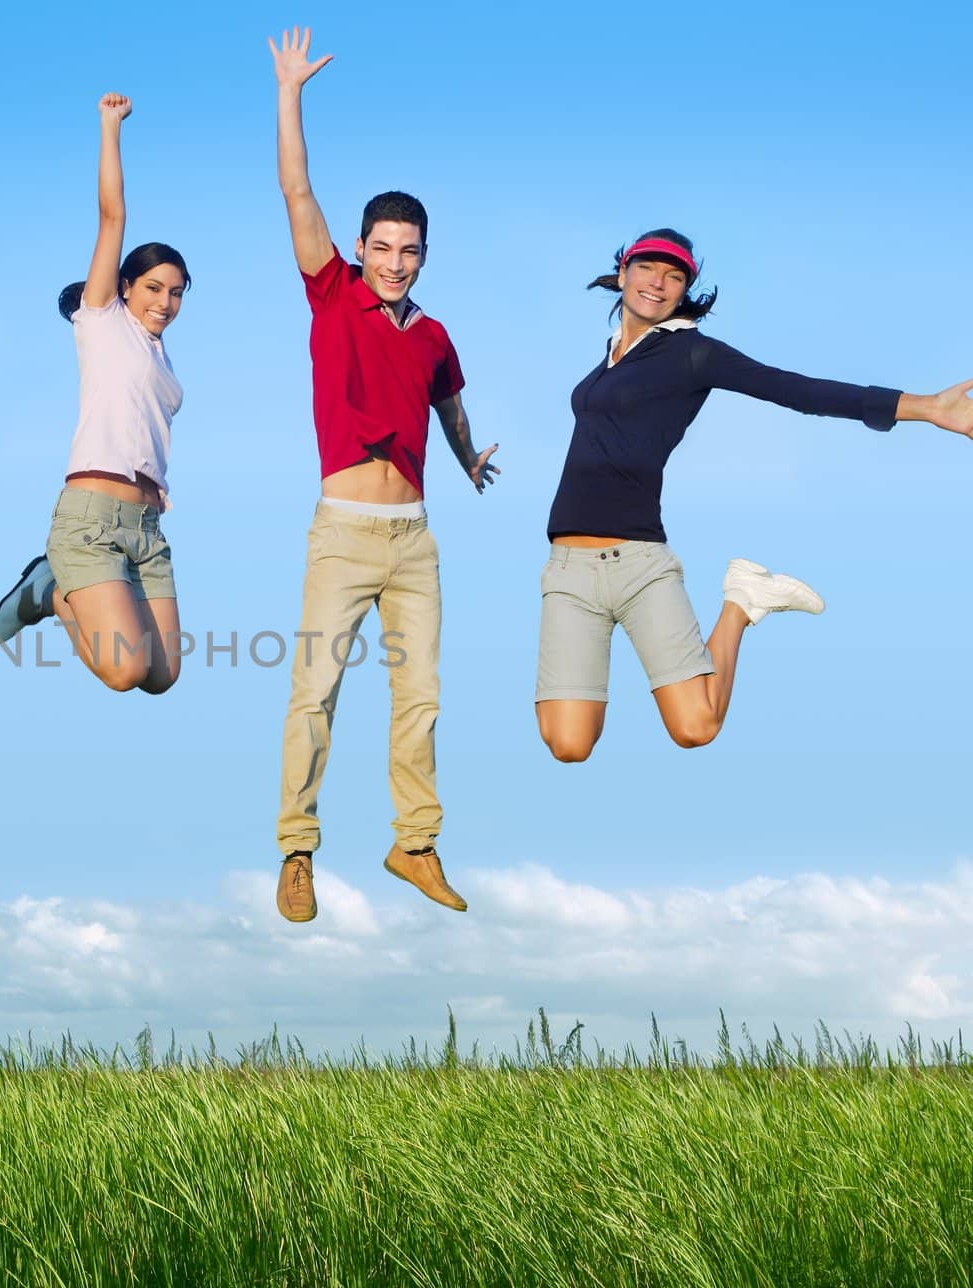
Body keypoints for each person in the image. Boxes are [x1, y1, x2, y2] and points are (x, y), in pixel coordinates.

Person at [536, 228, 973, 762]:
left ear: (684, 291)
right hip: (568, 569)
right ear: (623, 272)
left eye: (675, 276)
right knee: (568, 744)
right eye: (648, 268)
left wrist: (924, 406)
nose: (659, 282)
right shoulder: (610, 359)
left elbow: (800, 390)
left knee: (695, 727)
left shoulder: (692, 353)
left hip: (638, 560)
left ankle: (742, 602)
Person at [268, 28, 499, 925]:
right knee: (316, 690)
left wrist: (469, 456)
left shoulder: (435, 334)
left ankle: (415, 843)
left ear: (424, 256)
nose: (395, 261)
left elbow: (447, 405)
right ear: (361, 246)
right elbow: (296, 189)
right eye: (383, 245)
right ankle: (296, 848)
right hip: (344, 531)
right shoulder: (332, 292)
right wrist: (290, 93)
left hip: (415, 540)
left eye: (410, 250)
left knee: (423, 696)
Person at [0, 93, 188, 694]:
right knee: (125, 671)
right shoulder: (101, 322)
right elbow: (112, 217)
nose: (164, 302)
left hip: (146, 528)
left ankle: (62, 587)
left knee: (162, 677)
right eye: (153, 288)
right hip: (91, 521)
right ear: (124, 287)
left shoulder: (162, 359)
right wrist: (110, 128)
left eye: (177, 293)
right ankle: (49, 589)